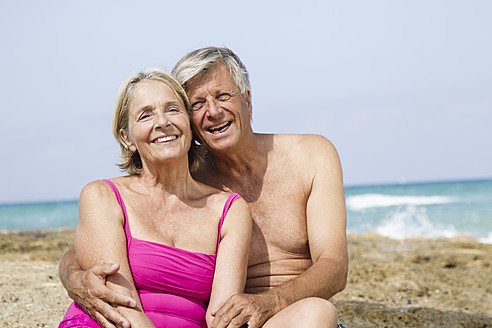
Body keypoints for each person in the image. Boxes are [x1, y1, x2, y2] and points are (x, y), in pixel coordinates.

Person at [59, 47, 349, 328]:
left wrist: (270, 302)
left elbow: (335, 267)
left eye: (223, 96)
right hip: (230, 319)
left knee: (317, 313)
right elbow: (96, 244)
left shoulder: (311, 156)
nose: (213, 111)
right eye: (197, 104)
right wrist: (73, 277)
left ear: (247, 100)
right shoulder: (187, 180)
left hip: (291, 314)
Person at [58, 68, 252, 328]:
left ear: (190, 125)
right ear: (127, 138)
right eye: (145, 115)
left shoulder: (230, 210)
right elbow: (123, 310)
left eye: (173, 110)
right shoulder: (103, 196)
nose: (162, 122)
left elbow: (222, 318)